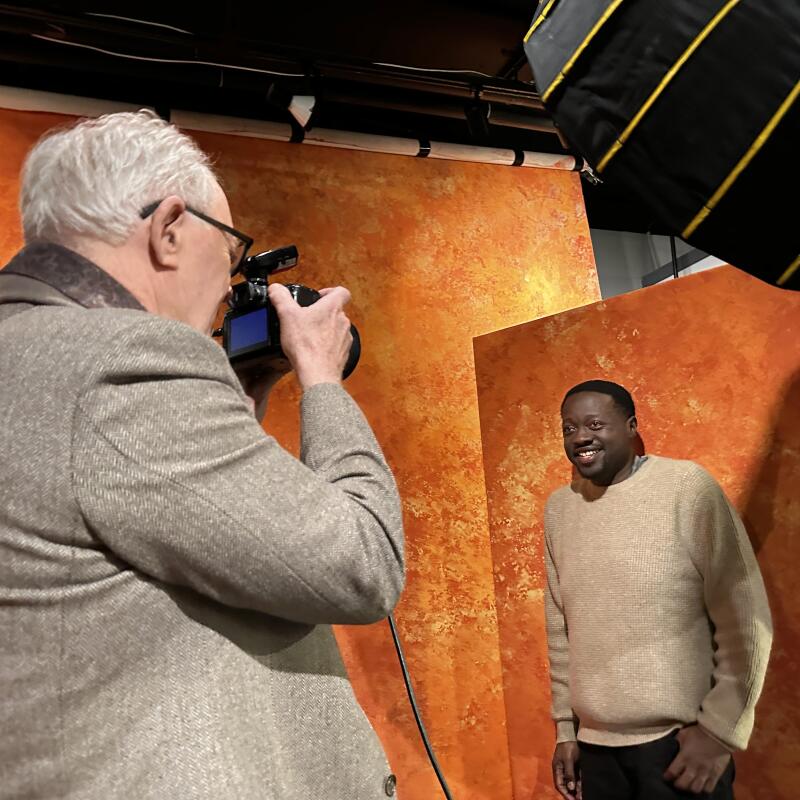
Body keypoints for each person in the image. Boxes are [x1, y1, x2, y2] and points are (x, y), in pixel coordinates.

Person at [0, 110, 404, 799]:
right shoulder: (123, 363)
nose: (228, 288)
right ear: (169, 230)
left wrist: (239, 399)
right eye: (232, 252)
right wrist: (322, 378)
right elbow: (361, 566)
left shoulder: (29, 349)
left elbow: (151, 523)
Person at [544, 380, 772, 800]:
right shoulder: (560, 509)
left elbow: (744, 613)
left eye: (595, 423)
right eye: (568, 428)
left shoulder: (685, 486)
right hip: (596, 753)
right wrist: (566, 729)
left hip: (680, 749)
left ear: (630, 426)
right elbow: (560, 627)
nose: (580, 437)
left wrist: (720, 732)